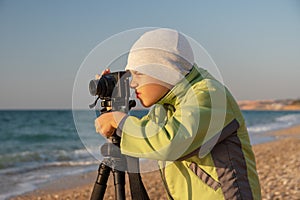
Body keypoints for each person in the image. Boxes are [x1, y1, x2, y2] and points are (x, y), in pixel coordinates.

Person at [94, 28, 261, 199]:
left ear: (164, 71)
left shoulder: (209, 95)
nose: (132, 84)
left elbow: (169, 142)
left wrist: (120, 122)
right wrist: (111, 109)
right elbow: (143, 137)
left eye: (138, 74)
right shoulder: (165, 106)